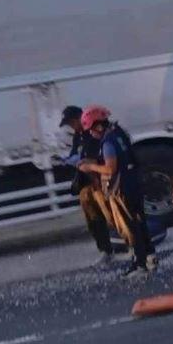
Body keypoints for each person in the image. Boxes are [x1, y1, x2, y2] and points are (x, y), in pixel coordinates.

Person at [77, 106, 156, 279]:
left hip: (122, 188)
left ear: (98, 126)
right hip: (134, 181)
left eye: (91, 129)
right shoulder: (119, 133)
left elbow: (110, 169)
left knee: (128, 226)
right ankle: (150, 255)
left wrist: (89, 166)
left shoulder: (107, 142)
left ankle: (139, 264)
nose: (91, 134)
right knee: (140, 221)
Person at [60, 105, 114, 264]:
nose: (71, 127)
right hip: (85, 182)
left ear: (78, 118)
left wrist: (85, 162)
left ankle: (132, 247)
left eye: (71, 123)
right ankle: (106, 250)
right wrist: (69, 160)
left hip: (99, 180)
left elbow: (98, 156)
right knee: (93, 220)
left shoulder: (93, 133)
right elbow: (76, 154)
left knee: (113, 216)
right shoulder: (77, 136)